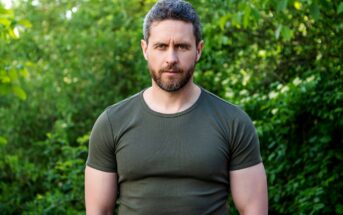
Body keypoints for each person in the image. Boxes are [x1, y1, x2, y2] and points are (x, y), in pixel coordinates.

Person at [85, 0, 268, 214]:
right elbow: (99, 211)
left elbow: (253, 210)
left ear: (198, 50)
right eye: (161, 46)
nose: (171, 58)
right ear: (145, 49)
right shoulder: (112, 123)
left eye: (182, 46)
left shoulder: (233, 122)